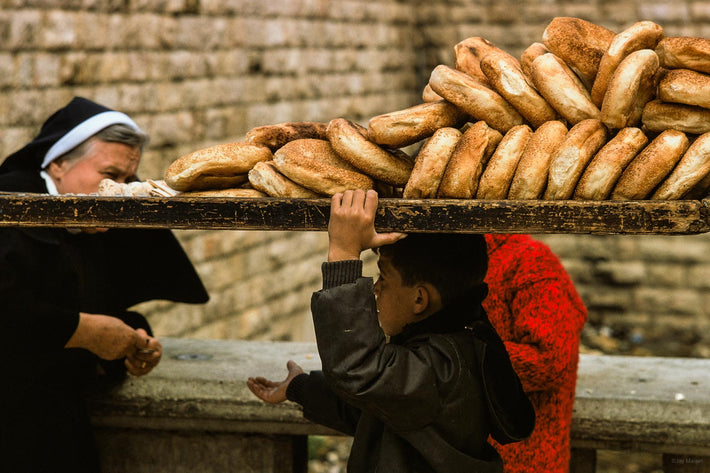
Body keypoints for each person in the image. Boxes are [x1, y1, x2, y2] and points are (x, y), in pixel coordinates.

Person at [248, 189, 535, 473]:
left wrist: (344, 253)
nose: (375, 289)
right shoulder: (447, 346)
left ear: (419, 299)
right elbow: (373, 407)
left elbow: (359, 370)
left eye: (383, 277)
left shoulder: (444, 369)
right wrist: (299, 387)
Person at [0, 96, 209, 473]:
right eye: (110, 175)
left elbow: (96, 303)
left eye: (128, 179)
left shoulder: (89, 220)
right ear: (59, 163)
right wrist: (80, 331)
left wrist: (133, 338)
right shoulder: (11, 207)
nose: (121, 190)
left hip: (58, 422)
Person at [483, 234, 587, 473]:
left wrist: (461, 355)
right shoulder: (429, 254)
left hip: (524, 461)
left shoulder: (529, 261)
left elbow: (550, 360)